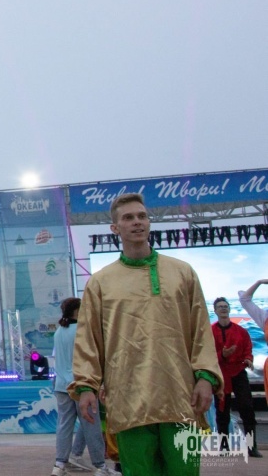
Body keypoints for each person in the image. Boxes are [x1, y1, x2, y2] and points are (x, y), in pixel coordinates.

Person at [71, 193, 222, 476]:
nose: (137, 222)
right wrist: (86, 386)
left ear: (149, 222)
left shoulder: (182, 273)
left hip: (181, 397)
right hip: (129, 400)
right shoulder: (101, 282)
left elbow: (201, 329)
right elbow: (89, 339)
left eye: (142, 216)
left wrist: (205, 376)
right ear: (115, 228)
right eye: (128, 218)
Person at [50, 297, 108, 476]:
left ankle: (60, 464)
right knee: (91, 424)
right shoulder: (81, 331)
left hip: (61, 384)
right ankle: (100, 466)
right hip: (81, 384)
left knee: (64, 425)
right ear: (77, 310)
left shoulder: (59, 331)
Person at [211, 296, 260, 457]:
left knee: (247, 408)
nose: (223, 308)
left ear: (229, 309)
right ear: (215, 310)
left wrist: (248, 359)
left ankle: (252, 447)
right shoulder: (210, 331)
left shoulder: (241, 331)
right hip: (221, 374)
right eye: (220, 306)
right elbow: (207, 354)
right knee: (222, 411)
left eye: (225, 306)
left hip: (238, 372)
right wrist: (222, 355)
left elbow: (248, 348)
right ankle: (224, 447)